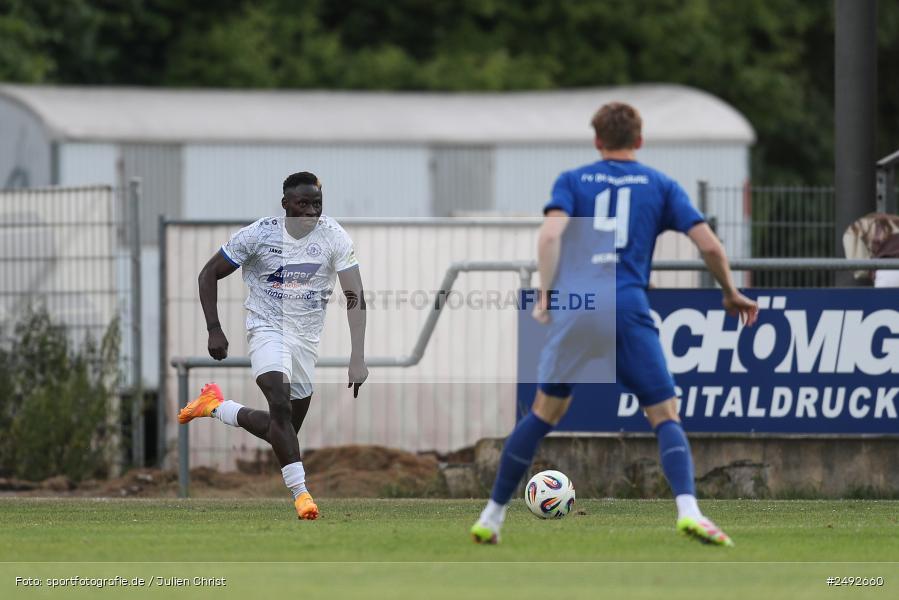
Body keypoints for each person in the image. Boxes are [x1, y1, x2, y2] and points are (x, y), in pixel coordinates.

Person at [470, 102, 758, 546]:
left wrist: (546, 294)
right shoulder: (660, 184)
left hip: (578, 304)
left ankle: (491, 517)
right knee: (664, 415)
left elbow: (549, 235)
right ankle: (689, 510)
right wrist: (729, 291)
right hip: (626, 303)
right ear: (639, 140)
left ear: (597, 141)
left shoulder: (573, 180)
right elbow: (710, 246)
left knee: (545, 412)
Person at [178, 171, 368, 520]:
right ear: (285, 205)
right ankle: (303, 496)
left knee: (283, 430)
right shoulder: (259, 234)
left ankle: (216, 407)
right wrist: (214, 328)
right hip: (267, 328)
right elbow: (208, 274)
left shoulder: (334, 236)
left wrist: (358, 355)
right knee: (278, 404)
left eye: (317, 204)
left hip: (306, 341)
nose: (311, 211)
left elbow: (354, 296)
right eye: (303, 204)